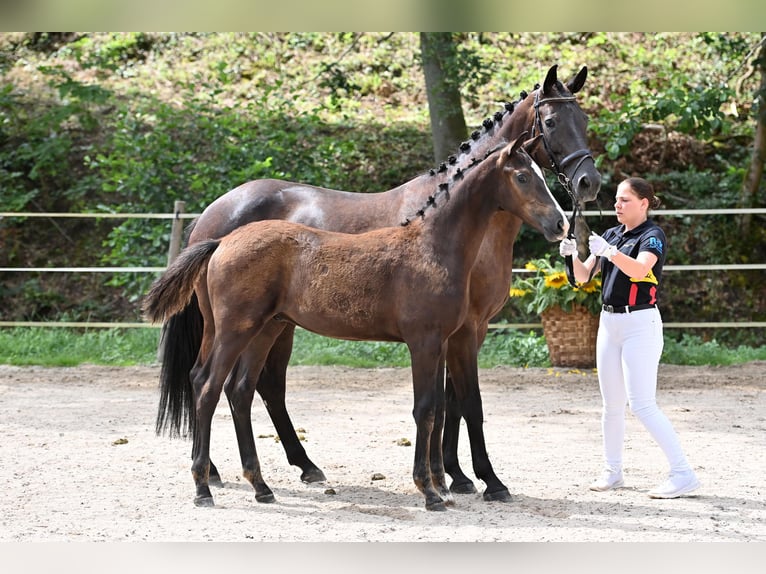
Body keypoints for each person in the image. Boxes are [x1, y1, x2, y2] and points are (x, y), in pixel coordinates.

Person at [559, 177, 699, 499]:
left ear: (644, 203)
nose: (617, 205)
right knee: (611, 405)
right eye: (617, 200)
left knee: (643, 404)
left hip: (640, 323)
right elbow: (582, 277)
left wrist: (610, 253)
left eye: (624, 200)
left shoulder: (652, 236)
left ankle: (683, 473)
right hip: (609, 323)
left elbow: (640, 270)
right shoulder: (611, 234)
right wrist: (571, 256)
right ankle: (613, 471)